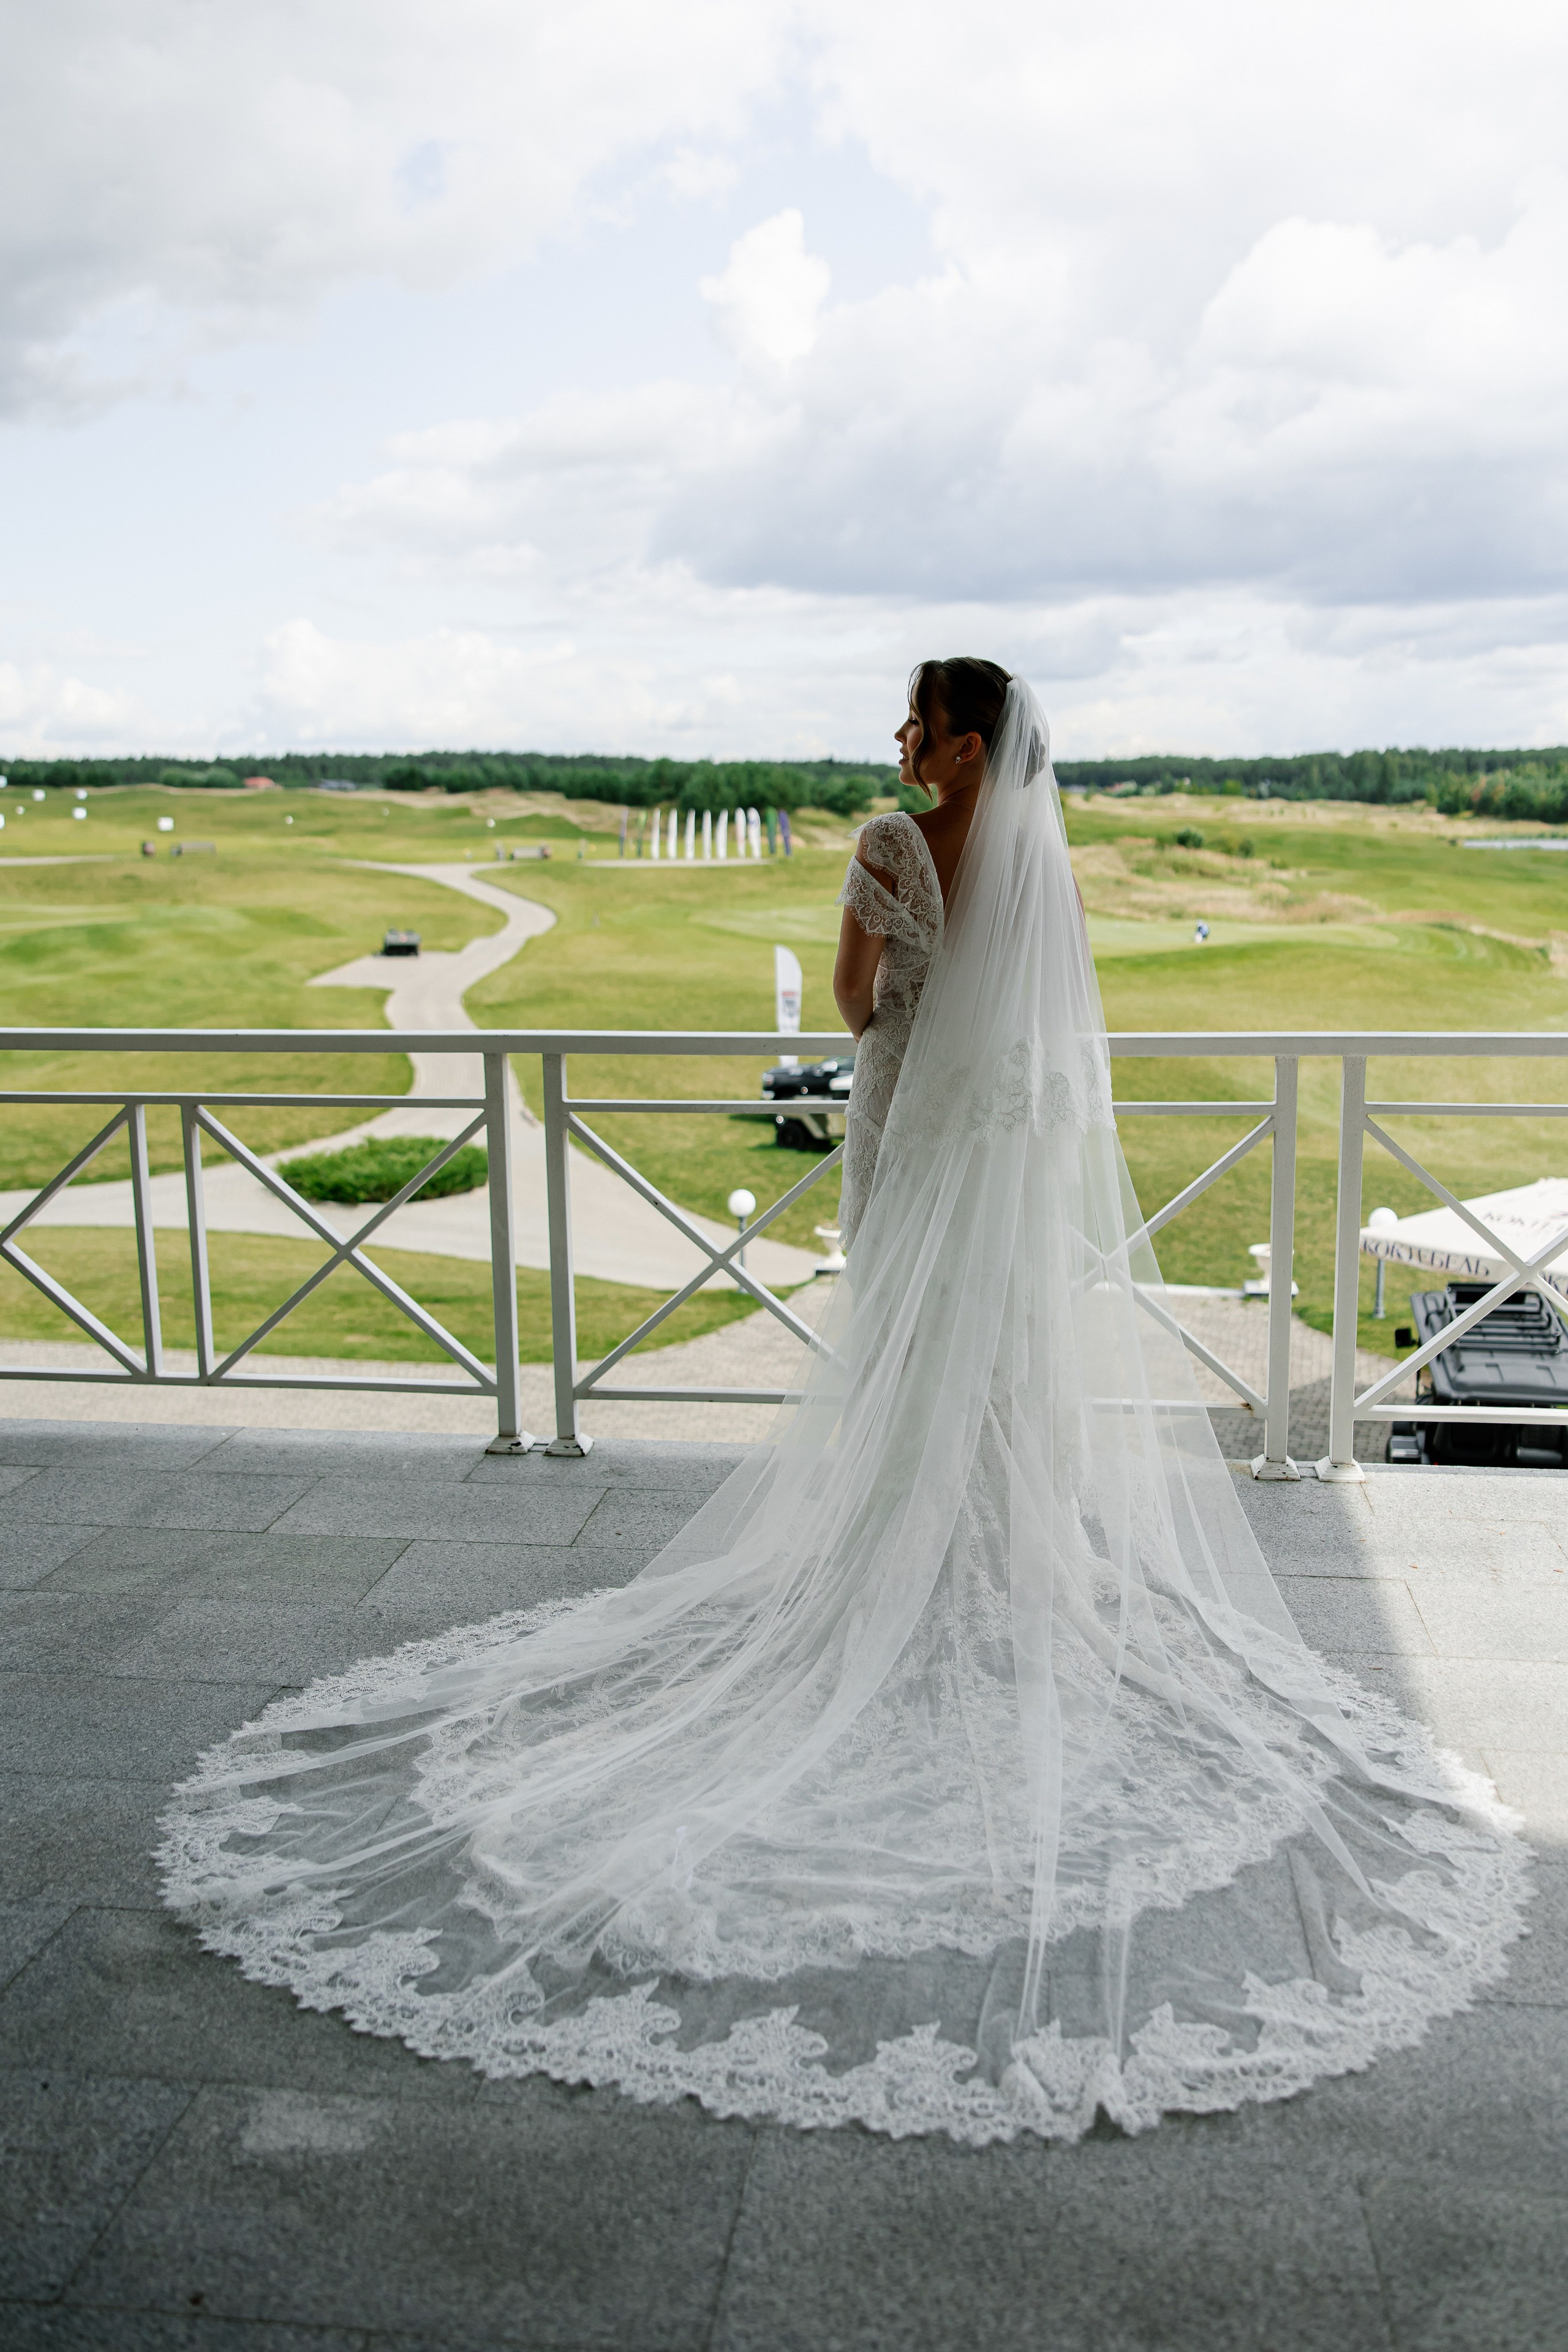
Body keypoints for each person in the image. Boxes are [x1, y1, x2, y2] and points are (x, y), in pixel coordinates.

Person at [160, 666, 1528, 2146]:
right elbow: (1052, 1032)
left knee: (896, 1349)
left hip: (901, 1116)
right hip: (995, 1156)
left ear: (959, 742)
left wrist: (896, 978)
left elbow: (851, 1000)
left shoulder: (890, 840)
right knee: (988, 1359)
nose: (895, 745)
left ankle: (892, 1559)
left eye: (914, 724)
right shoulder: (1036, 861)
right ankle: (990, 1567)